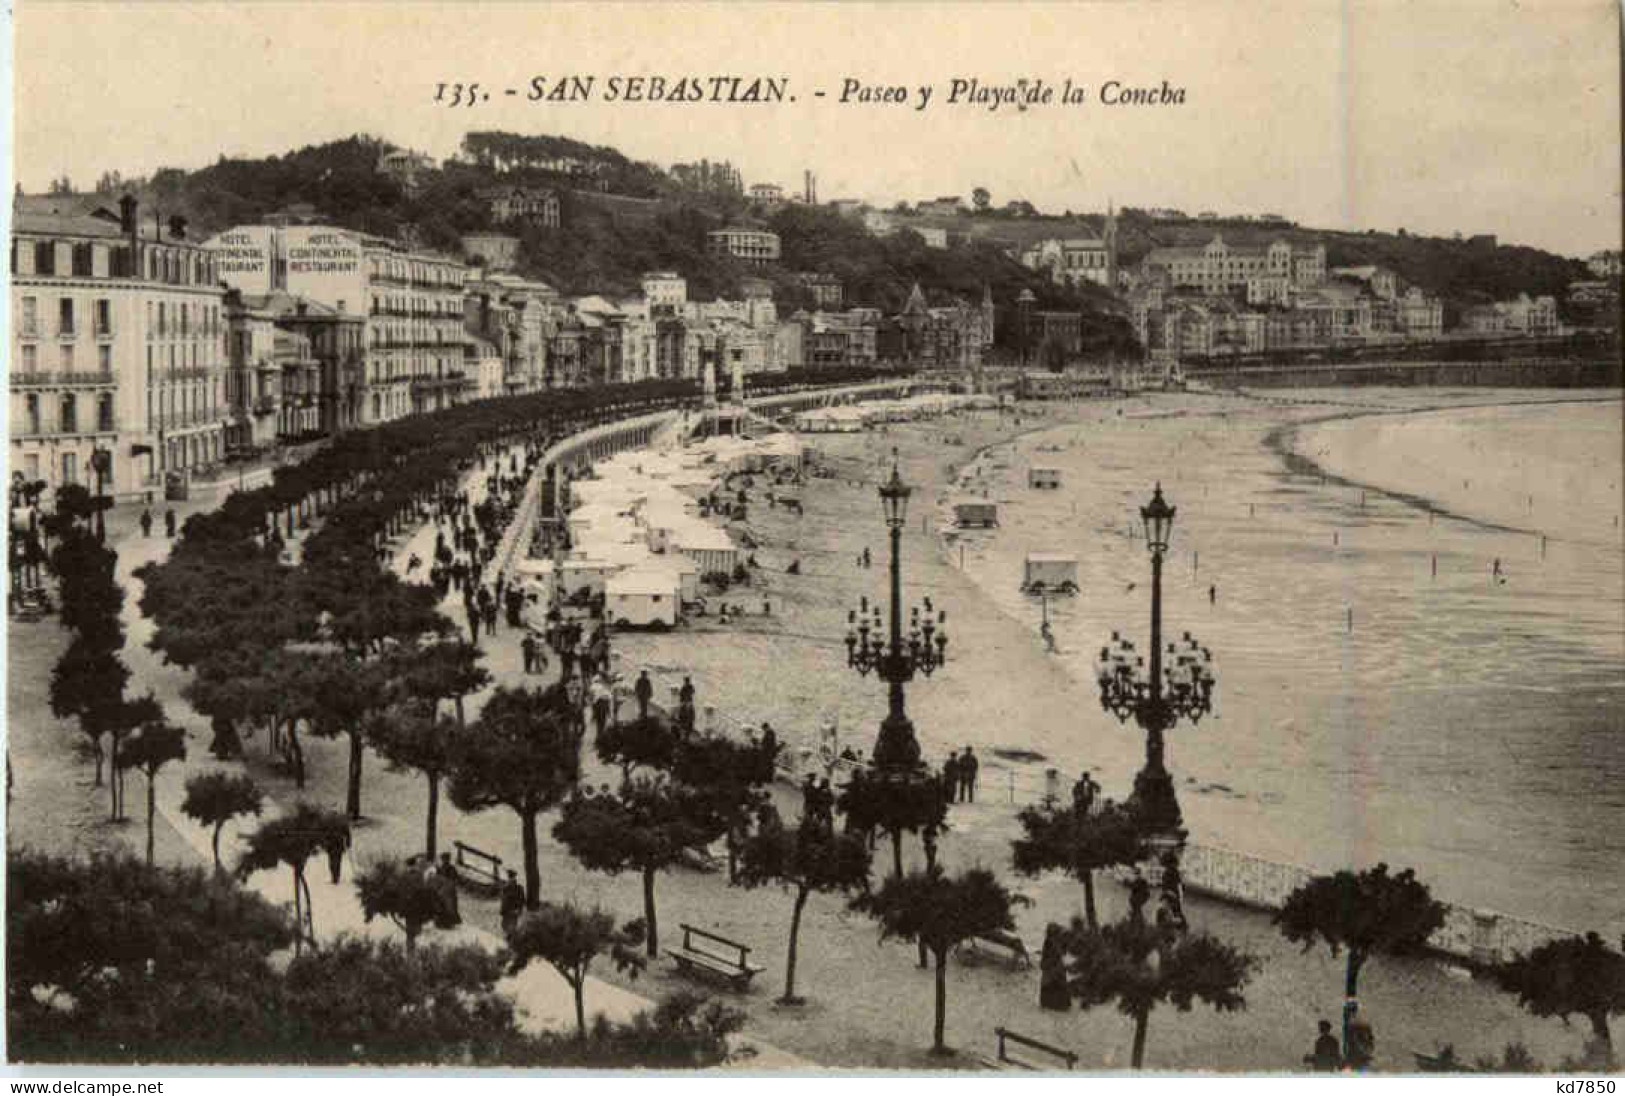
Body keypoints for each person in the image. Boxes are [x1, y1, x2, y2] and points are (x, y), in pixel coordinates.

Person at [1039, 923, 1071, 1011]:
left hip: (1053, 970)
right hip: (1053, 970)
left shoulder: (1051, 942)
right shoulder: (1049, 943)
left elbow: (1061, 952)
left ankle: (1055, 1004)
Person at [1344, 1005, 1376, 1071]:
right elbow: (1371, 1039)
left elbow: (1348, 1041)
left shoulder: (1350, 1025)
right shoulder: (1364, 1023)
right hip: (1362, 1056)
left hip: (1356, 1056)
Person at [499, 870, 526, 937]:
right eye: (511, 878)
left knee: (509, 928)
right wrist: (519, 910)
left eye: (511, 877)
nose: (510, 880)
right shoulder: (518, 888)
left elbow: (504, 901)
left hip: (510, 912)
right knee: (510, 928)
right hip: (512, 912)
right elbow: (522, 901)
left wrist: (502, 911)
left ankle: (510, 940)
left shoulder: (506, 888)